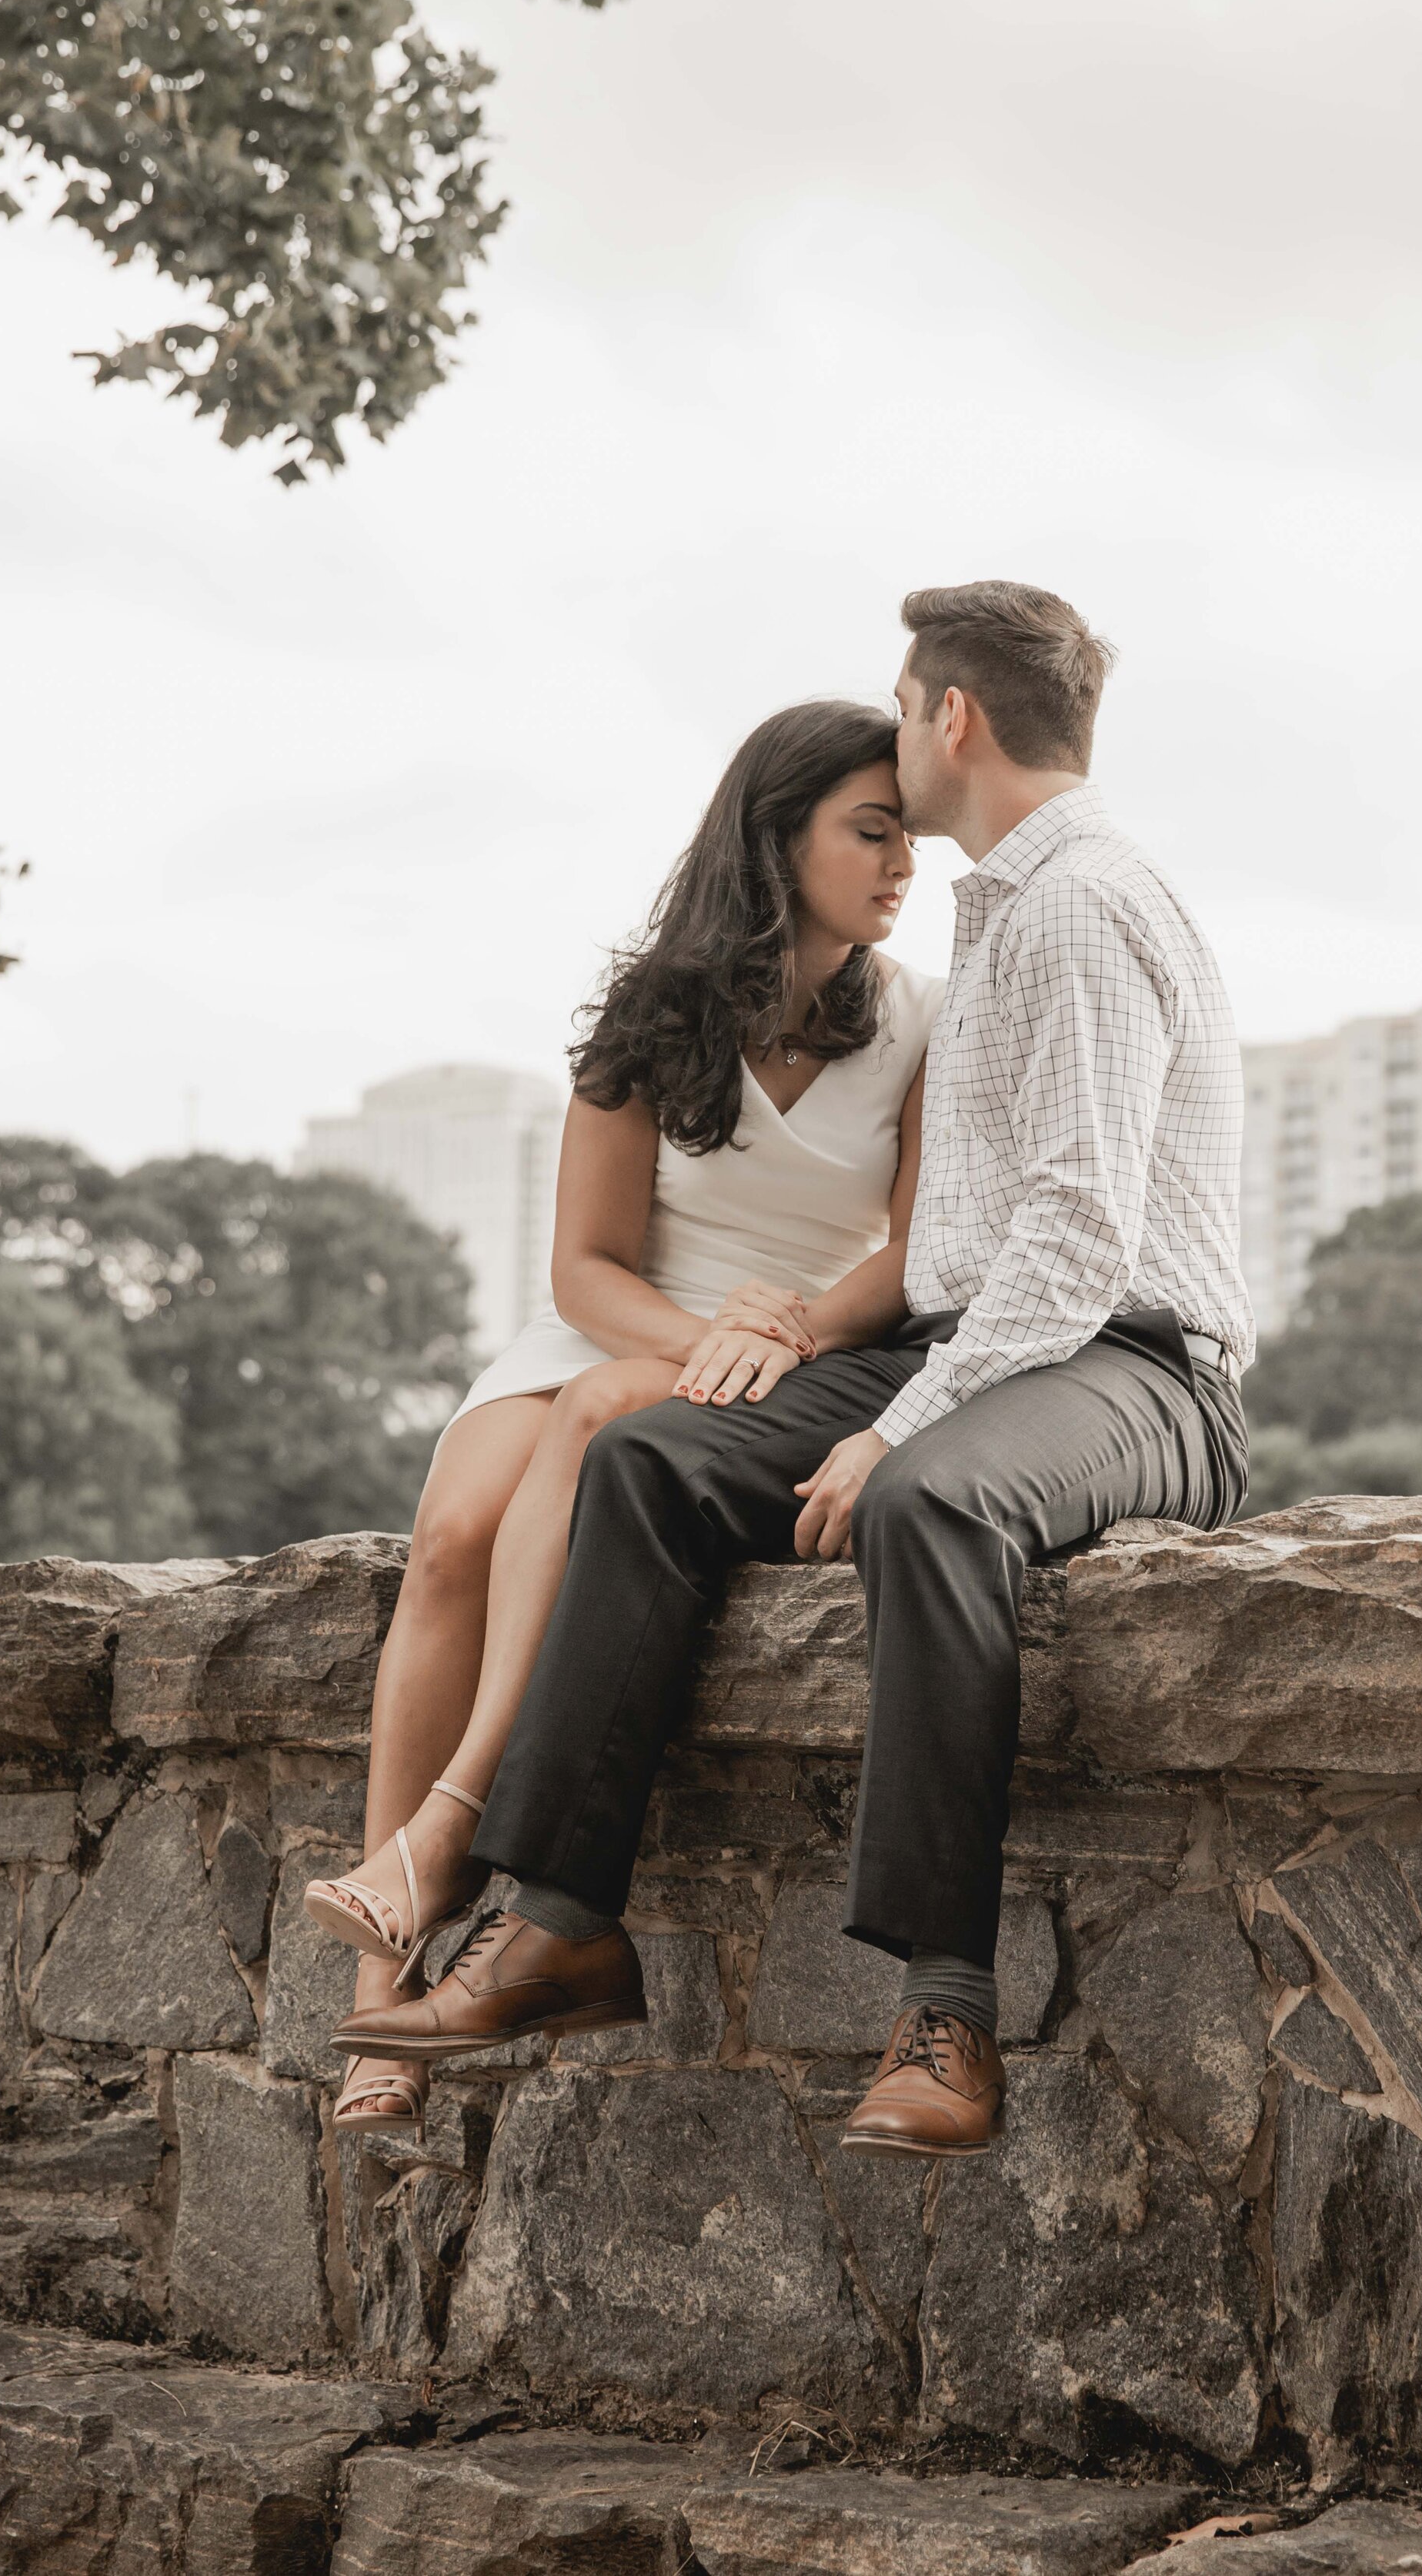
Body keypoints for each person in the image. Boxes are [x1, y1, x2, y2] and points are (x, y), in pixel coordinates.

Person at [335, 581, 1255, 2158]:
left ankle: (944, 2017)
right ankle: (558, 1922)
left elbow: (1079, 1237)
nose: (899, 752)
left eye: (904, 713)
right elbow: (954, 1250)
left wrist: (905, 1420)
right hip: (992, 1350)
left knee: (928, 1507)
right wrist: (858, 1369)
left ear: (947, 716)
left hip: (1138, 1369)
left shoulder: (1086, 905)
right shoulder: (1002, 913)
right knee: (646, 1457)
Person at [307, 700, 942, 2134]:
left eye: (907, 831)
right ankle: (385, 2007)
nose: (905, 861)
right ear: (780, 836)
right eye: (873, 829)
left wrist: (786, 1332)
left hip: (802, 1341)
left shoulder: (919, 1018)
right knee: (452, 1530)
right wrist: (701, 1329)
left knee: (597, 1427)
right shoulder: (652, 1012)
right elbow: (583, 1265)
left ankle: (445, 1843)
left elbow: (913, 1251)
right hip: (638, 1317)